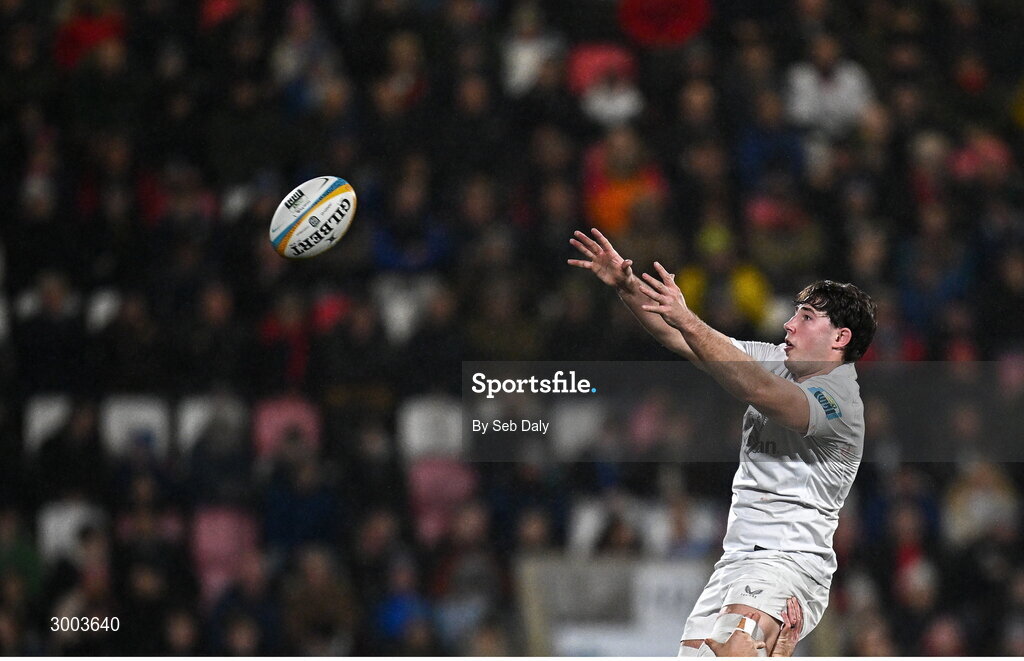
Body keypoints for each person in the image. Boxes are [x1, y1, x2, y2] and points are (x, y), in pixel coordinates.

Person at [569, 229, 876, 656]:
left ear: (840, 338)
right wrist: (627, 286)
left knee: (737, 649)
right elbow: (679, 336)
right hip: (734, 562)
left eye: (806, 317)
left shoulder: (840, 401)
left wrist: (688, 317)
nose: (789, 324)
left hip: (788, 563)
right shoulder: (777, 360)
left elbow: (762, 393)